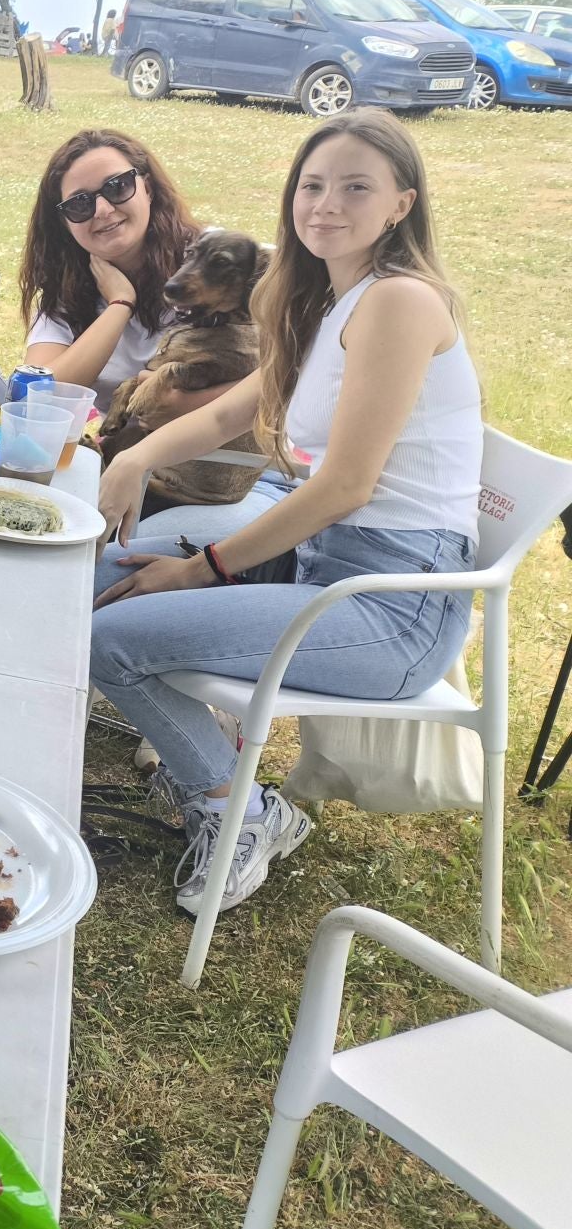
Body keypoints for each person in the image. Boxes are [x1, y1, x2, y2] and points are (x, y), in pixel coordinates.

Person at [88, 109, 482, 916]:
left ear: (402, 204)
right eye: (312, 185)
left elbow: (344, 488)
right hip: (321, 567)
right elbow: (233, 411)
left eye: (355, 187)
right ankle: (209, 762)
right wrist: (132, 459)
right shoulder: (328, 300)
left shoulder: (399, 302)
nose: (326, 204)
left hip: (393, 608)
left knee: (111, 636)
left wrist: (199, 571)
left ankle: (237, 808)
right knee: (96, 578)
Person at [19, 128, 203, 415]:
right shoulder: (65, 293)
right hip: (123, 443)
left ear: (148, 189)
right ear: (65, 223)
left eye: (117, 187)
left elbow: (266, 381)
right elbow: (37, 399)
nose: (102, 210)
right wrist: (120, 304)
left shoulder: (213, 262)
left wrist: (168, 402)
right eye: (79, 204)